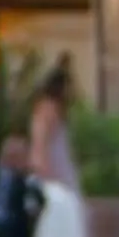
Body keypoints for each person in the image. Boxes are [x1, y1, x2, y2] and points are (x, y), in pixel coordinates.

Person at [27, 61, 82, 197]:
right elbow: (39, 142)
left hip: (60, 164)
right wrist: (43, 170)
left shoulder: (57, 110)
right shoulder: (47, 109)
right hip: (53, 167)